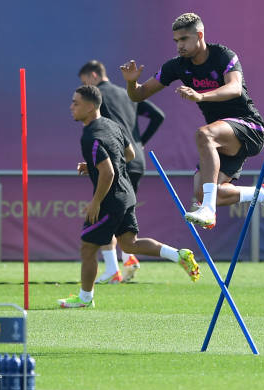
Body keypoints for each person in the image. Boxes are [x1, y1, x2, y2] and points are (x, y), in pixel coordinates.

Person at [120, 12, 264, 230]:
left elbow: (235, 88)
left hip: (249, 126)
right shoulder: (176, 66)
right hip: (222, 138)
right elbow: (138, 95)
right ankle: (263, 193)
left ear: (199, 35)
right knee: (204, 192)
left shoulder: (223, 55)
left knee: (204, 134)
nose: (179, 45)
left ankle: (207, 210)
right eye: (176, 41)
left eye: (184, 39)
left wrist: (201, 95)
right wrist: (132, 84)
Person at [57, 85, 200, 308]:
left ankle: (85, 299)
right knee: (130, 244)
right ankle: (178, 255)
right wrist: (94, 167)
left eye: (76, 103)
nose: (71, 107)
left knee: (87, 247)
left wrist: (95, 201)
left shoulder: (90, 136)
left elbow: (108, 172)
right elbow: (130, 154)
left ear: (91, 106)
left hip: (110, 200)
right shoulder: (113, 125)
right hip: (127, 194)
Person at [78, 60, 165, 283]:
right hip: (135, 158)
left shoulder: (96, 97)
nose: (83, 88)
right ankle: (128, 257)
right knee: (120, 215)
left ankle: (113, 267)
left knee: (105, 210)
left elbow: (103, 132)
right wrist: (140, 142)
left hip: (117, 160)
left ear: (94, 76)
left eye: (84, 82)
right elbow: (158, 116)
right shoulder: (128, 93)